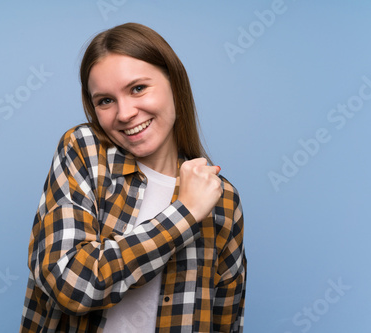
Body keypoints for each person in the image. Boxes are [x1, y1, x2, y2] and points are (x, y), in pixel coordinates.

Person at [20, 22, 246, 333]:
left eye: (138, 88)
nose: (124, 113)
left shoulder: (222, 198)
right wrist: (185, 214)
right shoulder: (85, 151)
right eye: (105, 101)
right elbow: (69, 283)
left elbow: (226, 320)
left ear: (175, 86)